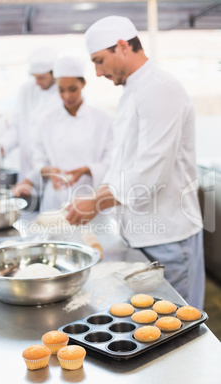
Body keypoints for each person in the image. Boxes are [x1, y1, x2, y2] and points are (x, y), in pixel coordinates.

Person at [66, 16, 205, 309]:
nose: (98, 72)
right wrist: (94, 198)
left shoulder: (159, 89)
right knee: (152, 329)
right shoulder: (133, 91)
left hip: (169, 238)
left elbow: (150, 173)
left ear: (121, 46)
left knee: (179, 328)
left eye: (100, 61)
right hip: (143, 236)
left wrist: (96, 203)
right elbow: (123, 164)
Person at [19, 54, 113, 212]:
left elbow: (112, 159)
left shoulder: (103, 119)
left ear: (83, 84)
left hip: (91, 199)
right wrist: (47, 171)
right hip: (56, 200)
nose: (67, 96)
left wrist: (87, 169)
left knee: (92, 237)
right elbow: (37, 159)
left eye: (72, 89)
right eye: (61, 90)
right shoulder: (45, 121)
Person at [0, 46, 61, 182]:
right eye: (34, 77)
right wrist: (3, 146)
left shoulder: (64, 93)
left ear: (54, 74)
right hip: (27, 172)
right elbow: (16, 126)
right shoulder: (27, 89)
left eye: (42, 78)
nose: (37, 83)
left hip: (53, 173)